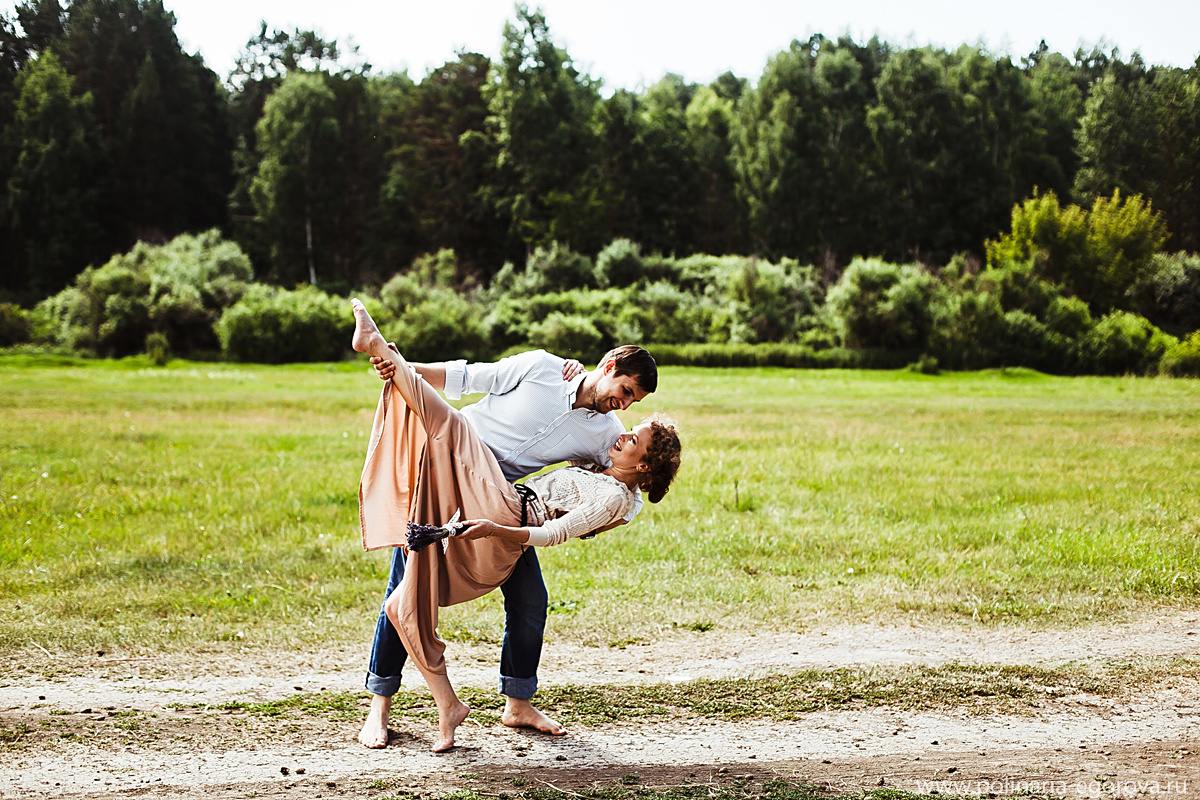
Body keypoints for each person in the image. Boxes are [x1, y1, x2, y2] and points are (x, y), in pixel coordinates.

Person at [351, 299, 681, 751]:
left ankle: (518, 703)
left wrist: (602, 520)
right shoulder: (543, 369)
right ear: (608, 366)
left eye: (631, 401)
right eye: (623, 390)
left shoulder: (606, 435)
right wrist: (405, 370)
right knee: (404, 587)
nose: (621, 403)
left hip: (499, 500)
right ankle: (379, 707)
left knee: (530, 601)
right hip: (447, 465)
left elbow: (628, 487)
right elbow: (466, 377)